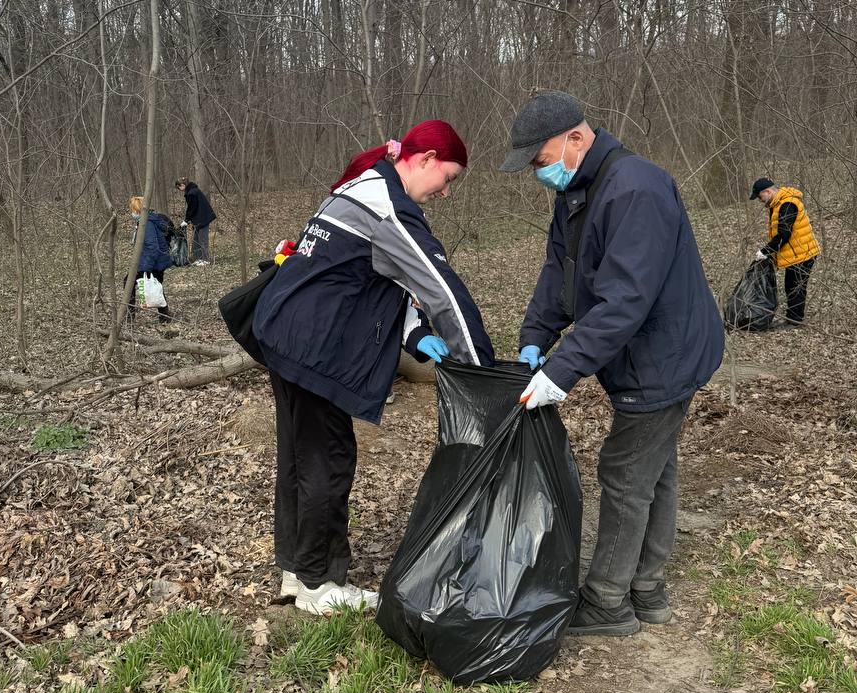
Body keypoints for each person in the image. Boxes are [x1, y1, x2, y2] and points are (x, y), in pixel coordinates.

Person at [500, 92, 724, 636]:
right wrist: (536, 337)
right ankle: (647, 589)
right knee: (653, 468)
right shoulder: (577, 191)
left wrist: (561, 370)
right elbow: (560, 271)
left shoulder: (636, 189)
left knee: (625, 472)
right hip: (638, 352)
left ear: (577, 138)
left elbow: (627, 298)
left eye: (540, 156)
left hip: (663, 354)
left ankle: (607, 601)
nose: (538, 169)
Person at [253, 120, 494, 616]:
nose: (446, 193)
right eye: (447, 178)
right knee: (328, 459)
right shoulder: (389, 208)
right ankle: (321, 585)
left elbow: (374, 280)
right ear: (423, 159)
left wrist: (413, 335)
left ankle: (299, 572)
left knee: (301, 458)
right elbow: (443, 292)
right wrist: (484, 374)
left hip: (285, 332)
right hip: (312, 347)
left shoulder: (363, 187)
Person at [749, 177, 819, 327]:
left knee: (795, 287)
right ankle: (792, 318)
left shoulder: (787, 204)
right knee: (791, 285)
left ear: (767, 191)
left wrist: (766, 251)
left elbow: (784, 234)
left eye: (760, 197)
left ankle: (795, 321)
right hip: (797, 252)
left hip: (803, 253)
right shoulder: (778, 203)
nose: (760, 201)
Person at [127, 196, 174, 322]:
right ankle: (165, 317)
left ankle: (129, 318)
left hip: (153, 263)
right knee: (157, 286)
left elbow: (152, 247)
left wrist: (144, 268)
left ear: (138, 210)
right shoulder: (148, 220)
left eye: (133, 210)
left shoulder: (147, 223)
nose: (132, 213)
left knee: (128, 282)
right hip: (156, 262)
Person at [175, 177, 216, 266]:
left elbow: (191, 209)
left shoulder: (192, 193)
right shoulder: (193, 190)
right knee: (197, 238)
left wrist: (186, 220)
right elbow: (192, 208)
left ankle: (206, 259)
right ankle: (199, 258)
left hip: (203, 218)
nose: (179, 190)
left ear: (182, 185)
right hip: (199, 218)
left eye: (179, 188)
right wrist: (188, 220)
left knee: (202, 239)